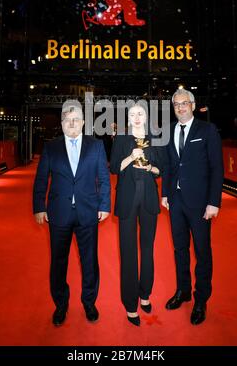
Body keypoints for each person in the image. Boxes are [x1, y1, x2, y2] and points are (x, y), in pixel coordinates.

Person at [33, 103, 110, 326]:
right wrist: (39, 206)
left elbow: (104, 179)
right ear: (62, 123)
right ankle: (61, 304)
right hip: (59, 213)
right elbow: (41, 179)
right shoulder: (51, 147)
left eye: (76, 118)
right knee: (58, 262)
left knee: (89, 261)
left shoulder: (96, 146)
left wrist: (104, 204)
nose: (72, 123)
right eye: (67, 119)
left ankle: (89, 302)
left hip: (88, 212)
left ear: (84, 122)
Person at [161, 89, 223, 325]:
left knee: (202, 252)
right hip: (175, 202)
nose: (180, 107)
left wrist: (213, 202)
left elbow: (217, 168)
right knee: (180, 250)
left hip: (200, 203)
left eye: (184, 103)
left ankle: (201, 299)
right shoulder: (169, 131)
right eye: (176, 104)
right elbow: (168, 166)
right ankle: (183, 291)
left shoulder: (207, 130)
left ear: (193, 105)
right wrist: (165, 193)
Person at [110, 104, 161, 326]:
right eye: (132, 114)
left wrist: (150, 167)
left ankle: (145, 294)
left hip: (149, 199)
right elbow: (113, 168)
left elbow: (162, 169)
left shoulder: (156, 138)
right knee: (128, 252)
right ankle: (131, 304)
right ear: (127, 118)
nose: (137, 118)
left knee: (148, 250)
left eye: (140, 114)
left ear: (146, 116)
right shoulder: (121, 138)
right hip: (127, 200)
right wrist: (131, 157)